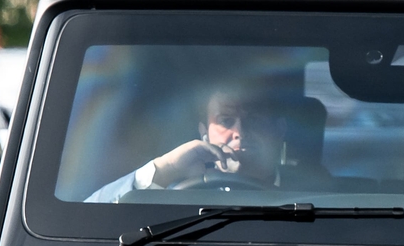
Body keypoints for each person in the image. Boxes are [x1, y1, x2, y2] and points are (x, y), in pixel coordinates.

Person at [86, 83, 291, 201]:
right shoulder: (179, 193)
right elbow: (88, 216)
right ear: (205, 133)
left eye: (254, 120)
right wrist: (168, 167)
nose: (240, 132)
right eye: (226, 121)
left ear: (279, 129)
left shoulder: (318, 192)